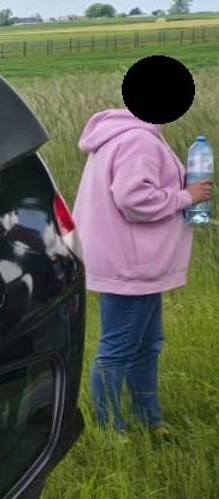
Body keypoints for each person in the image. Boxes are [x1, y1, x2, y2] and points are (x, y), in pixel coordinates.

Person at [73, 106, 211, 437]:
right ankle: (111, 432)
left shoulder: (120, 134)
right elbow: (133, 199)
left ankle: (150, 420)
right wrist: (186, 196)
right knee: (117, 351)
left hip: (130, 262)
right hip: (133, 266)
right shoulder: (138, 140)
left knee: (146, 345)